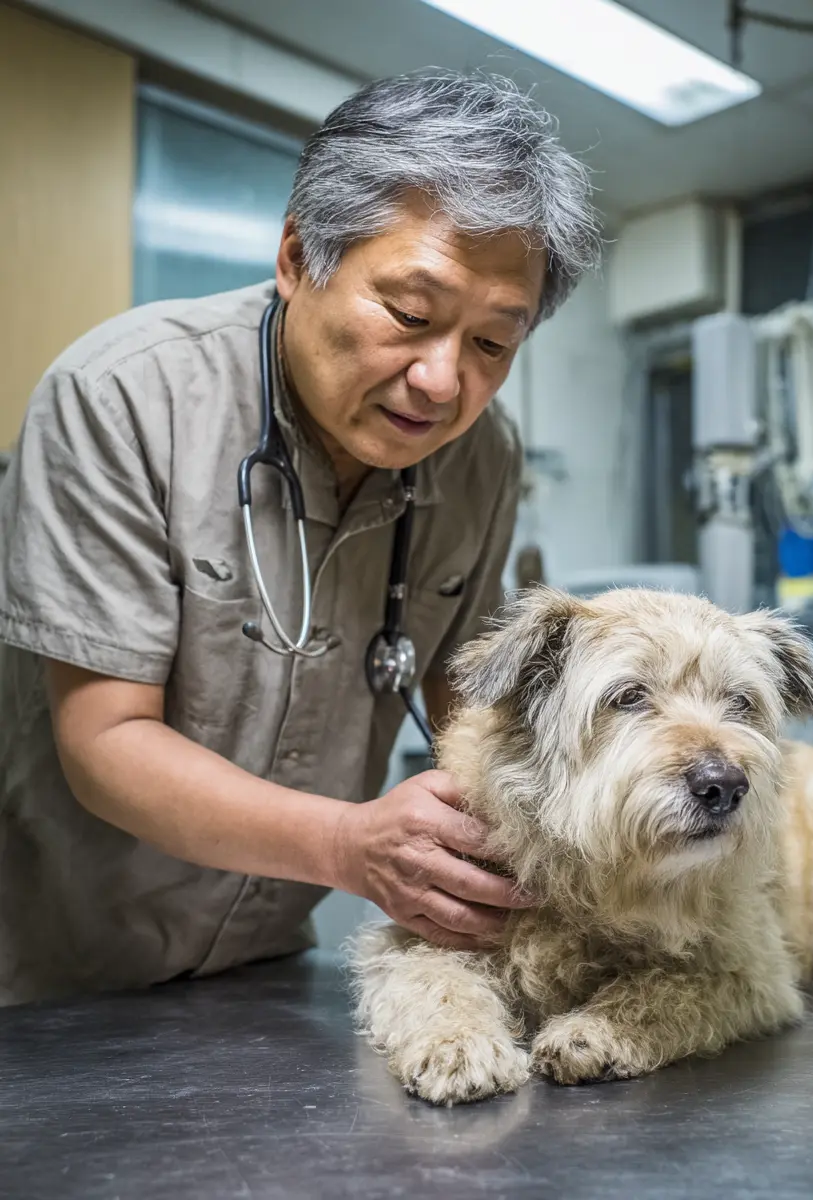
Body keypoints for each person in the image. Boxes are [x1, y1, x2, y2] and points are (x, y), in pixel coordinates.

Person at [0, 70, 602, 1007]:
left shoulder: (482, 461)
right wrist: (349, 846)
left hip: (260, 971)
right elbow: (103, 740)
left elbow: (467, 707)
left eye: (492, 344)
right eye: (411, 314)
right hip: (51, 973)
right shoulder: (121, 397)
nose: (443, 381)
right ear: (297, 258)